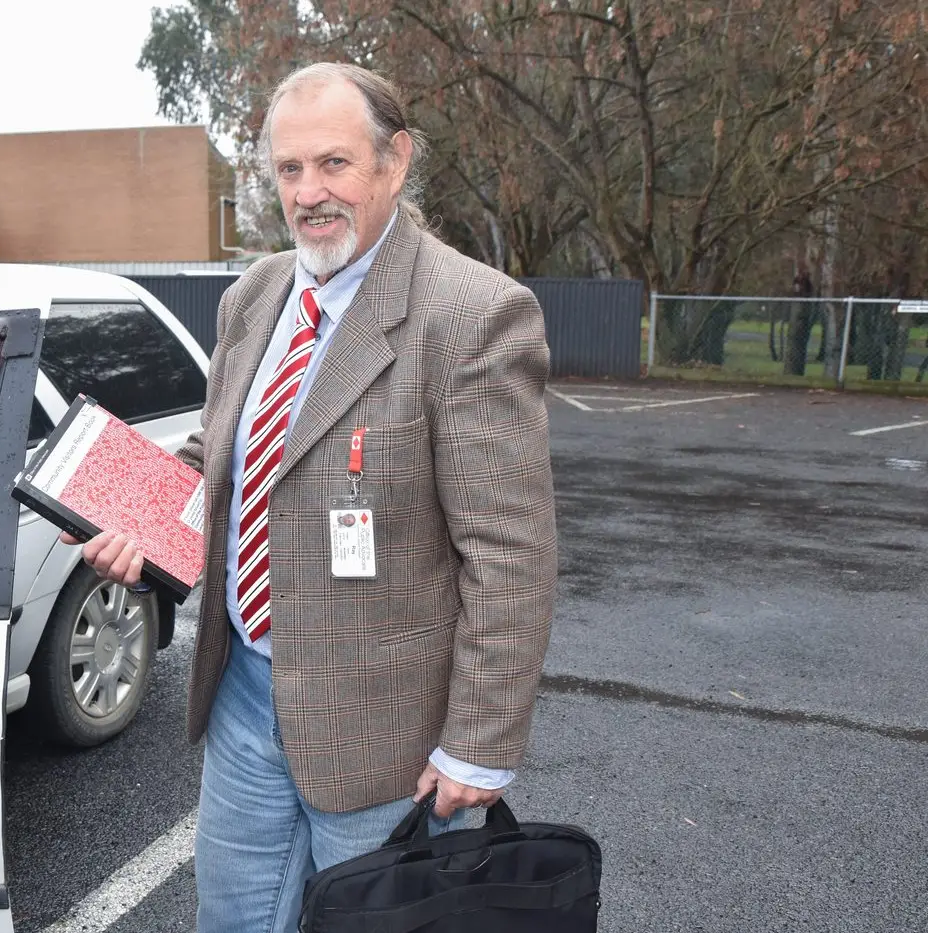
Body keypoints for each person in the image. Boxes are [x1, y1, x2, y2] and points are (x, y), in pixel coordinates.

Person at [64, 61, 558, 932]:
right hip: (245, 700)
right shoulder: (255, 294)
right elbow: (231, 454)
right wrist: (136, 512)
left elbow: (511, 556)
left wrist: (478, 743)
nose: (309, 193)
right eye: (289, 170)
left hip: (386, 739)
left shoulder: (472, 316)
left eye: (333, 164)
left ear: (394, 162)